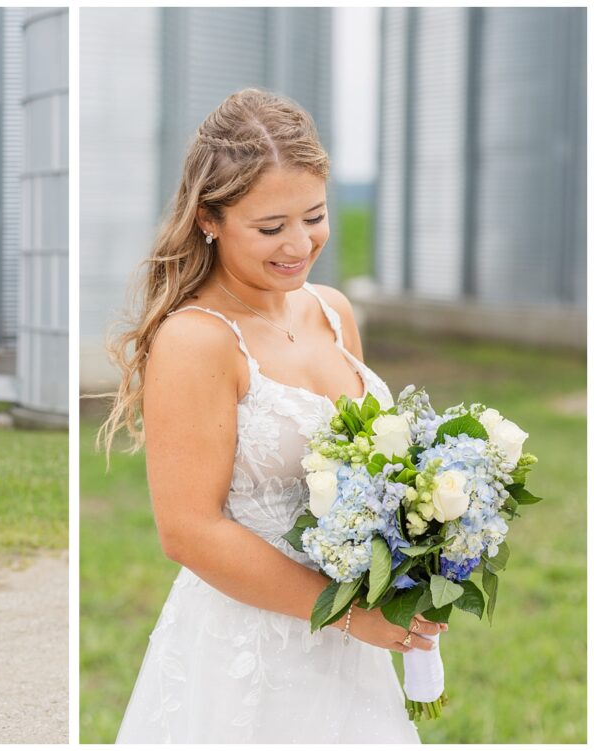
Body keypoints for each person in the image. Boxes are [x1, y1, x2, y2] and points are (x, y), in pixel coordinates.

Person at [100, 89, 445, 743]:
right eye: (269, 227)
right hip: (251, 651)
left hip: (355, 646)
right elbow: (189, 531)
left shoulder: (333, 311)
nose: (299, 244)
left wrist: (427, 548)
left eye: (314, 216)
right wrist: (346, 615)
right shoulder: (196, 340)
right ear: (209, 217)